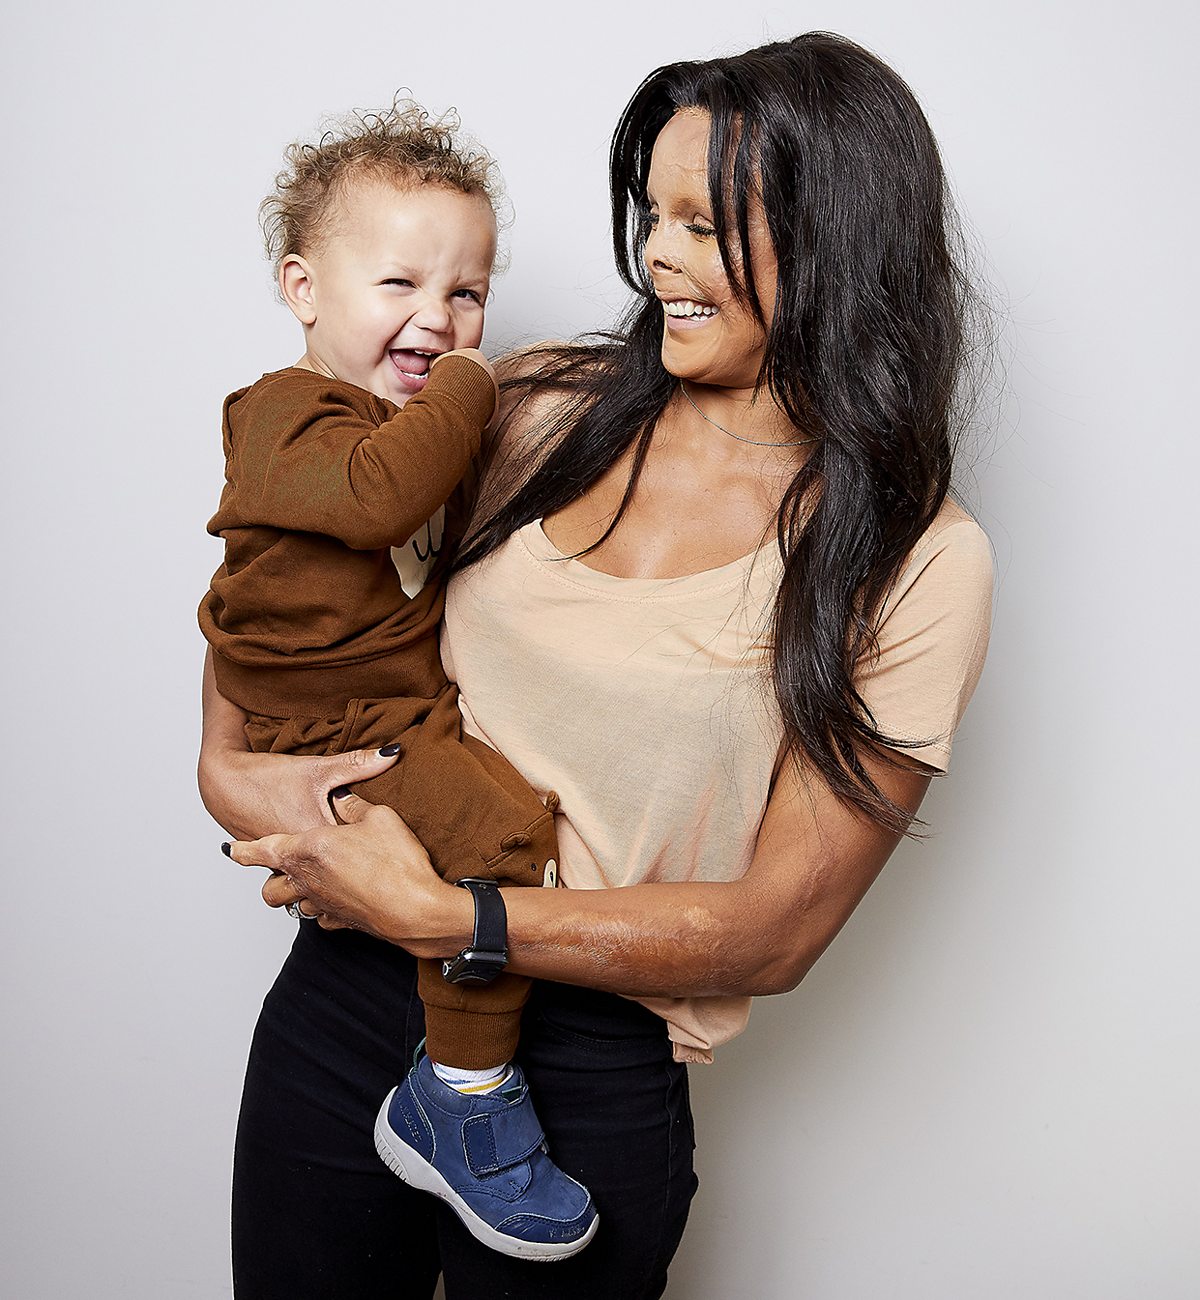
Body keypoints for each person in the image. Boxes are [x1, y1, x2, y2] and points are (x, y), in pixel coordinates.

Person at [202, 32, 993, 1300]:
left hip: (584, 1060)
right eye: (654, 214)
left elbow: (775, 930)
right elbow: (292, 570)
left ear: (836, 239)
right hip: (343, 1002)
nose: (656, 257)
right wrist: (230, 765)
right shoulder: (532, 405)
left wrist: (454, 917)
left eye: (703, 224)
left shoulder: (917, 559)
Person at [197, 102, 597, 1262]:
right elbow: (380, 497)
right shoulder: (284, 415)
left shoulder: (402, 422)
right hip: (330, 723)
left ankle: (455, 1064)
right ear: (303, 289)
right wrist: (476, 379)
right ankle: (460, 1098)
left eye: (468, 290)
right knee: (503, 835)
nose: (439, 315)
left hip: (383, 701)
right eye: (399, 283)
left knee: (481, 819)